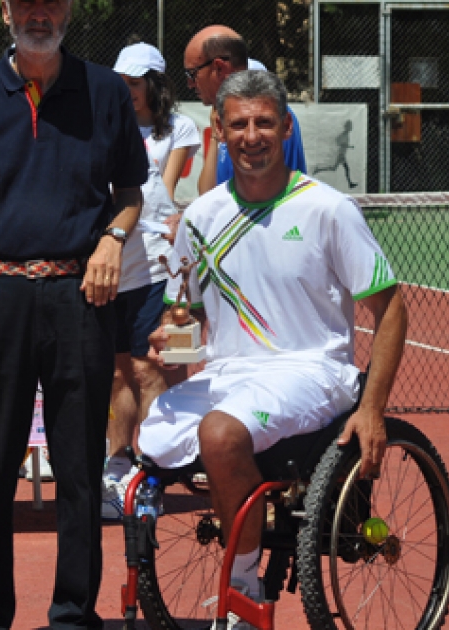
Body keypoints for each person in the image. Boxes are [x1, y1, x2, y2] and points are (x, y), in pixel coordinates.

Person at [139, 70, 406, 615]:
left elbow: (392, 309)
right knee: (151, 439)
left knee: (219, 433)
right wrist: (172, 341)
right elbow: (186, 323)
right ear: (219, 128)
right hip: (231, 373)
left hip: (312, 371)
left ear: (286, 128)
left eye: (264, 122)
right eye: (239, 124)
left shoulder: (328, 209)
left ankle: (243, 591)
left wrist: (373, 407)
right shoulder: (201, 217)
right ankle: (247, 515)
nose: (252, 136)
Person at [0, 0, 148, 627]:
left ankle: (74, 614)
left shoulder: (105, 91)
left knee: (79, 470)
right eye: (27, 4)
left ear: (68, 10)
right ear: (5, 12)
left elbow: (129, 193)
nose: (40, 15)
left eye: (51, 3)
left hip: (81, 300)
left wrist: (113, 238)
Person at [102, 42, 200, 519]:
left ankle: (160, 468)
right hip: (118, 260)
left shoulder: (178, 127)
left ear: (155, 86)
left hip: (167, 264)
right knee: (122, 369)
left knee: (167, 366)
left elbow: (158, 186)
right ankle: (117, 466)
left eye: (135, 83)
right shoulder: (105, 124)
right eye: (121, 81)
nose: (127, 91)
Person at [184, 25, 306, 195]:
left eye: (192, 73)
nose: (190, 84)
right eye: (239, 124)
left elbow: (266, 197)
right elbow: (208, 193)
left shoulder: (276, 118)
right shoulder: (219, 116)